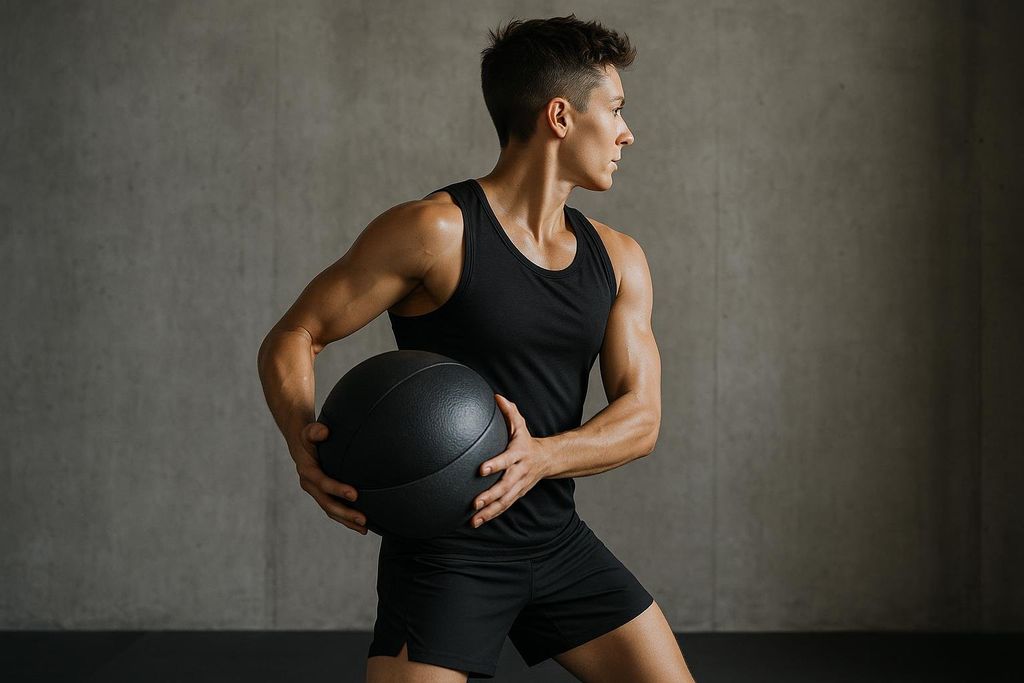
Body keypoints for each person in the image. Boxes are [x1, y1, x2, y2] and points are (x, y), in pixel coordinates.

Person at [257, 13, 697, 683]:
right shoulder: (436, 230)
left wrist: (542, 456)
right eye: (614, 110)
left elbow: (642, 417)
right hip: (444, 556)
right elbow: (295, 335)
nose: (627, 132)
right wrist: (301, 442)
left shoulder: (619, 260)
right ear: (560, 116)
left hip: (556, 542)